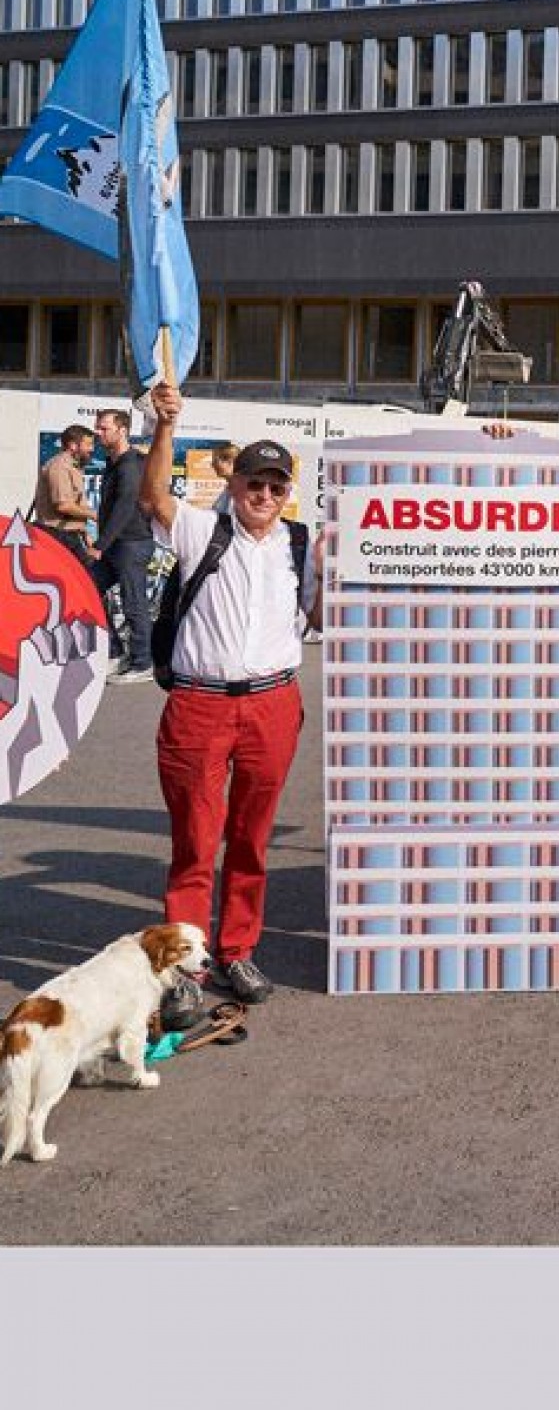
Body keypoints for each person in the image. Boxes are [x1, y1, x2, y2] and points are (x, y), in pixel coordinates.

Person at [141, 385, 317, 1009]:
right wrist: (165, 425)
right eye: (254, 484)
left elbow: (322, 614)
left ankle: (237, 952)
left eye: (275, 486)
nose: (263, 496)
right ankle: (183, 971)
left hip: (273, 704)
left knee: (250, 838)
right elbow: (154, 496)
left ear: (287, 492)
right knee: (194, 841)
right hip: (199, 704)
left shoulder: (300, 546)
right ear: (234, 484)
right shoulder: (200, 530)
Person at [91, 407, 156, 683]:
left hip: (131, 543)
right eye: (97, 427)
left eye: (103, 428)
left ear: (122, 431)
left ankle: (142, 662)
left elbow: (125, 507)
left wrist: (100, 545)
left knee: (134, 603)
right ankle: (115, 651)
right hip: (115, 545)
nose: (97, 433)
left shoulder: (130, 465)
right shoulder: (114, 463)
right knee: (88, 589)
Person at [31, 424, 96, 573]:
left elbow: (76, 504)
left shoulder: (74, 467)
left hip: (69, 535)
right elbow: (63, 506)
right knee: (83, 578)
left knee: (87, 578)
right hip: (56, 534)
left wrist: (84, 532)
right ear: (73, 445)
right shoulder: (60, 466)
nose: (92, 449)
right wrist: (94, 515)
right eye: (88, 444)